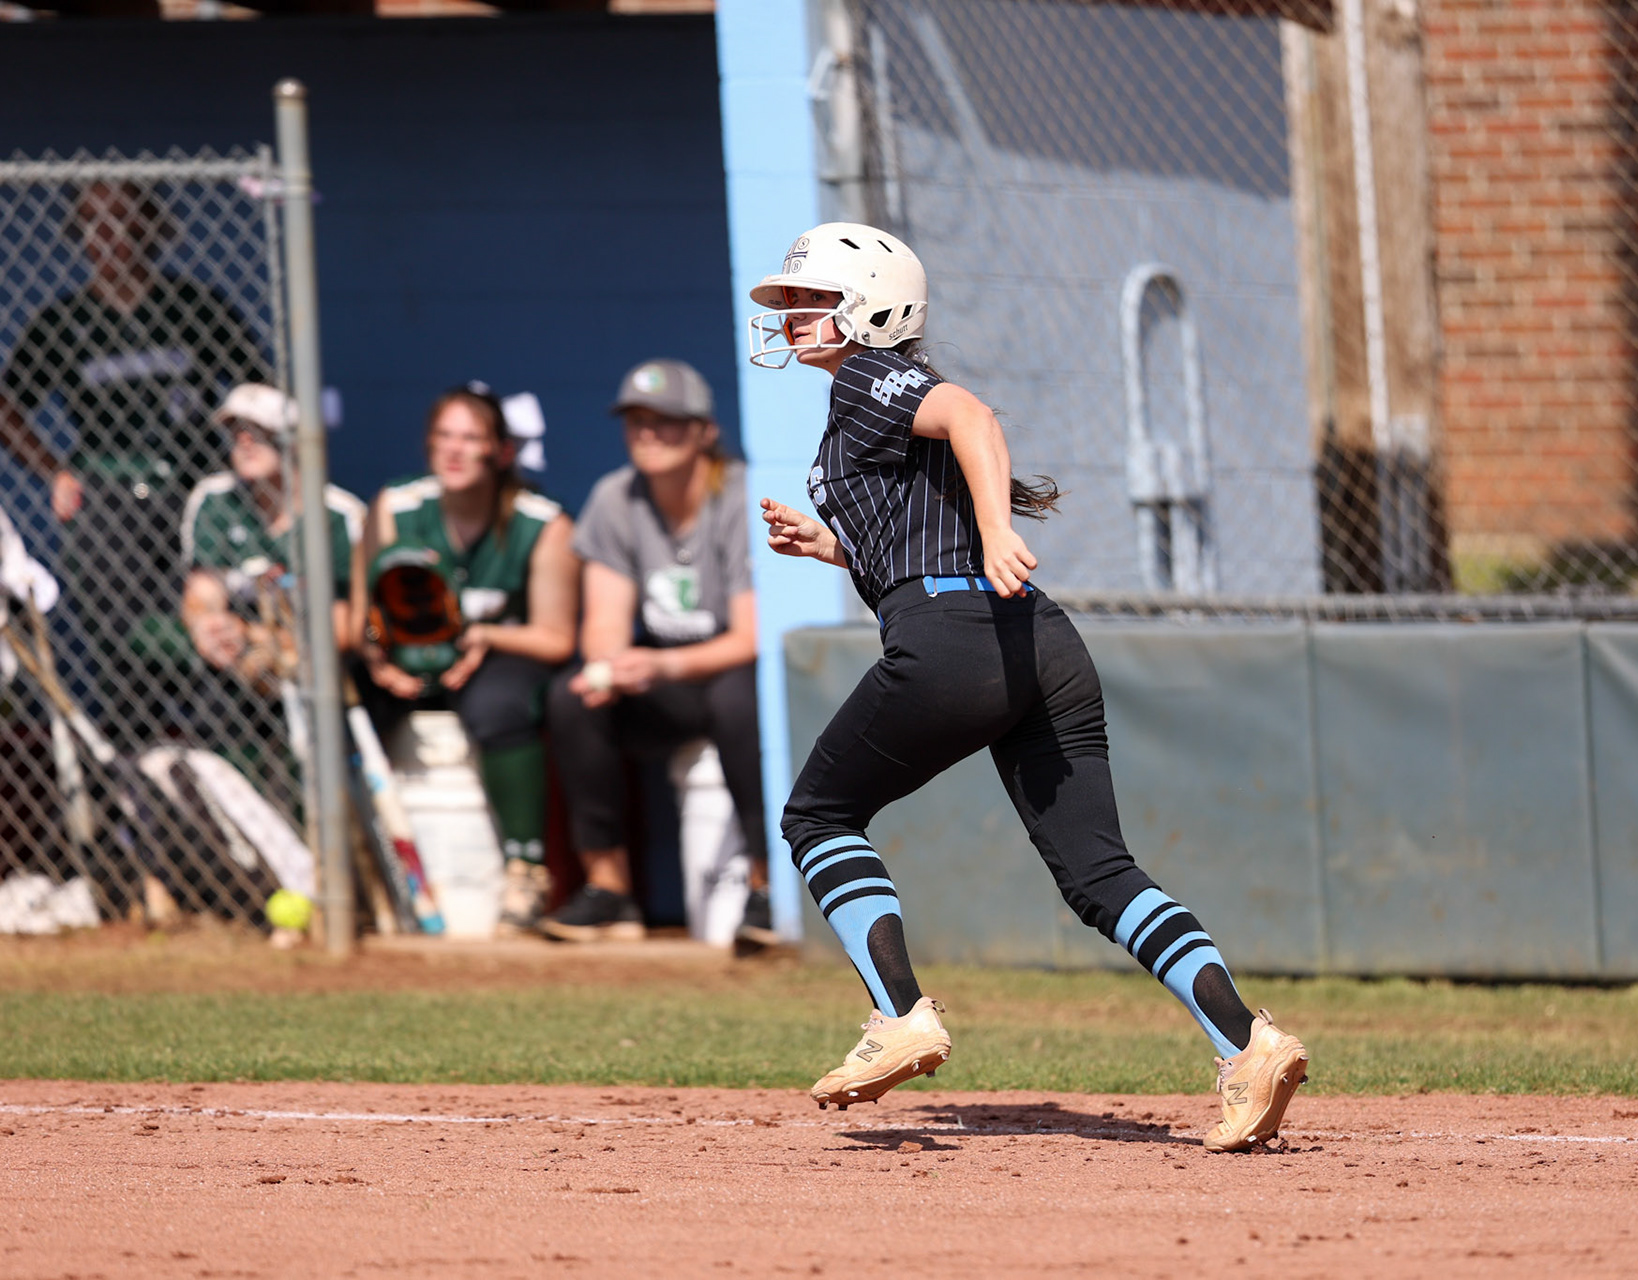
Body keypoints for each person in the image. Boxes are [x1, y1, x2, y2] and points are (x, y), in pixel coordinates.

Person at [747, 223, 1309, 1153]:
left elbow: (969, 415)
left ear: (869, 308)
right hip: (1039, 641)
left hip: (957, 636)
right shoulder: (858, 408)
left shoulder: (864, 378)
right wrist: (830, 544)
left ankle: (898, 1016)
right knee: (1099, 875)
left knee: (816, 817)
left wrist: (1000, 527)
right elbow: (921, 524)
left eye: (811, 300)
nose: (793, 316)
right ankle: (1248, 1042)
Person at [0, 180, 270, 736]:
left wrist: (243, 459)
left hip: (191, 489)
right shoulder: (64, 322)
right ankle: (138, 788)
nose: (111, 235)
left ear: (152, 226)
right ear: (79, 238)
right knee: (125, 654)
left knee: (217, 630)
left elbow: (256, 389)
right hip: (108, 497)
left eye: (123, 218)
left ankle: (228, 761)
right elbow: (9, 405)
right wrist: (53, 469)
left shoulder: (194, 307)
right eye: (94, 222)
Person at [542, 359, 776, 952]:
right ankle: (608, 888)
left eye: (666, 422)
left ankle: (767, 887)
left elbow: (750, 637)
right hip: (661, 678)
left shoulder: (742, 495)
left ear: (703, 431)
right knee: (573, 697)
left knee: (738, 701)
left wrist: (659, 665)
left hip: (728, 669)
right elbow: (603, 621)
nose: (649, 434)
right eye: (636, 422)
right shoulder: (614, 497)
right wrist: (610, 667)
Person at [351, 384, 578, 934]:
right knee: (343, 694)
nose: (453, 451)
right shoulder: (397, 506)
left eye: (470, 438)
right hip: (403, 662)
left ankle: (525, 871)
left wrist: (485, 638)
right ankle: (338, 867)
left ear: (501, 452)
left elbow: (555, 639)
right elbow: (361, 617)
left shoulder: (542, 522)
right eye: (443, 437)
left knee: (500, 703)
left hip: (493, 659)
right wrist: (377, 659)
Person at [180, 383, 364, 693]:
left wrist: (261, 638)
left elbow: (348, 622)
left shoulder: (339, 515)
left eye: (259, 432)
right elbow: (203, 589)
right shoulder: (215, 499)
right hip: (238, 656)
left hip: (318, 660)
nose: (245, 442)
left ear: (292, 440)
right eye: (235, 432)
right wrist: (209, 625)